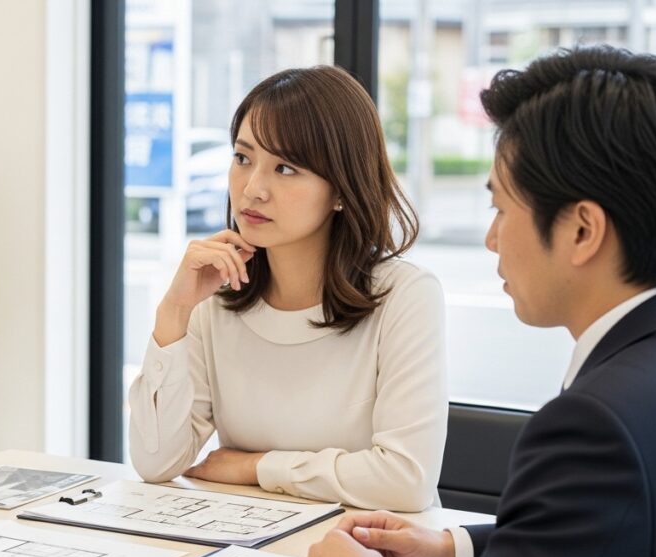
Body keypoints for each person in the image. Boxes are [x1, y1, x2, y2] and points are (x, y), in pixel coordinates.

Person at [296, 45, 656, 557]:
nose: (492, 238)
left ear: (582, 230)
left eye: (501, 207)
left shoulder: (597, 427)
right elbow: (624, 532)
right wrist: (454, 548)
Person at [128, 66, 447, 511]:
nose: (253, 189)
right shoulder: (215, 296)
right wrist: (175, 311)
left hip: (366, 555)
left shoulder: (404, 295)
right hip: (248, 545)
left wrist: (255, 467)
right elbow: (155, 461)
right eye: (242, 158)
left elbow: (405, 480)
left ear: (341, 189)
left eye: (285, 167)